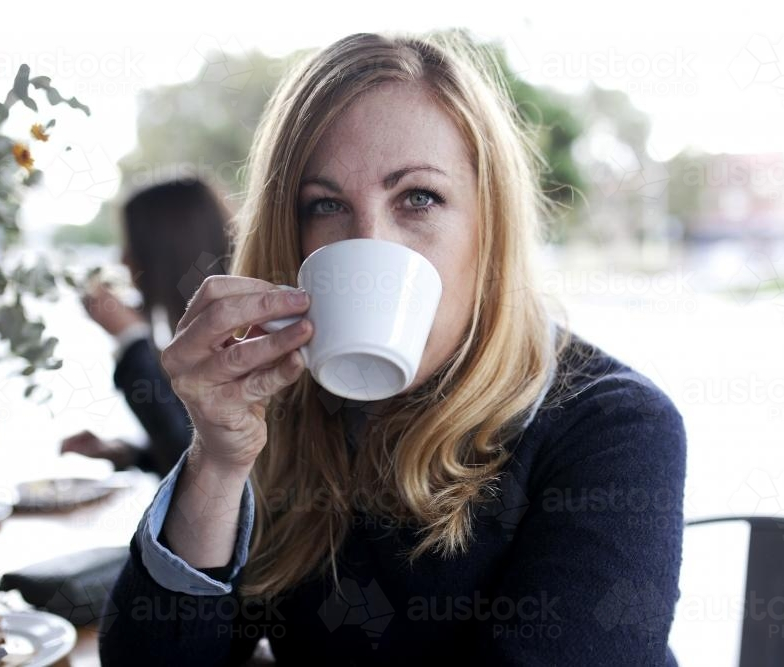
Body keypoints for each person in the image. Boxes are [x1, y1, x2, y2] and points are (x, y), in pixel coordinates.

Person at [99, 31, 687, 666]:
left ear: (488, 228)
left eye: (419, 198)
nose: (371, 244)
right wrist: (216, 461)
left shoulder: (611, 427)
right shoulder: (282, 409)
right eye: (325, 204)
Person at [61, 176, 233, 478]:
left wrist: (132, 340)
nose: (123, 260)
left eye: (133, 245)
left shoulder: (236, 337)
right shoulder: (203, 329)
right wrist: (128, 453)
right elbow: (193, 445)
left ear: (168, 252)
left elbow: (200, 473)